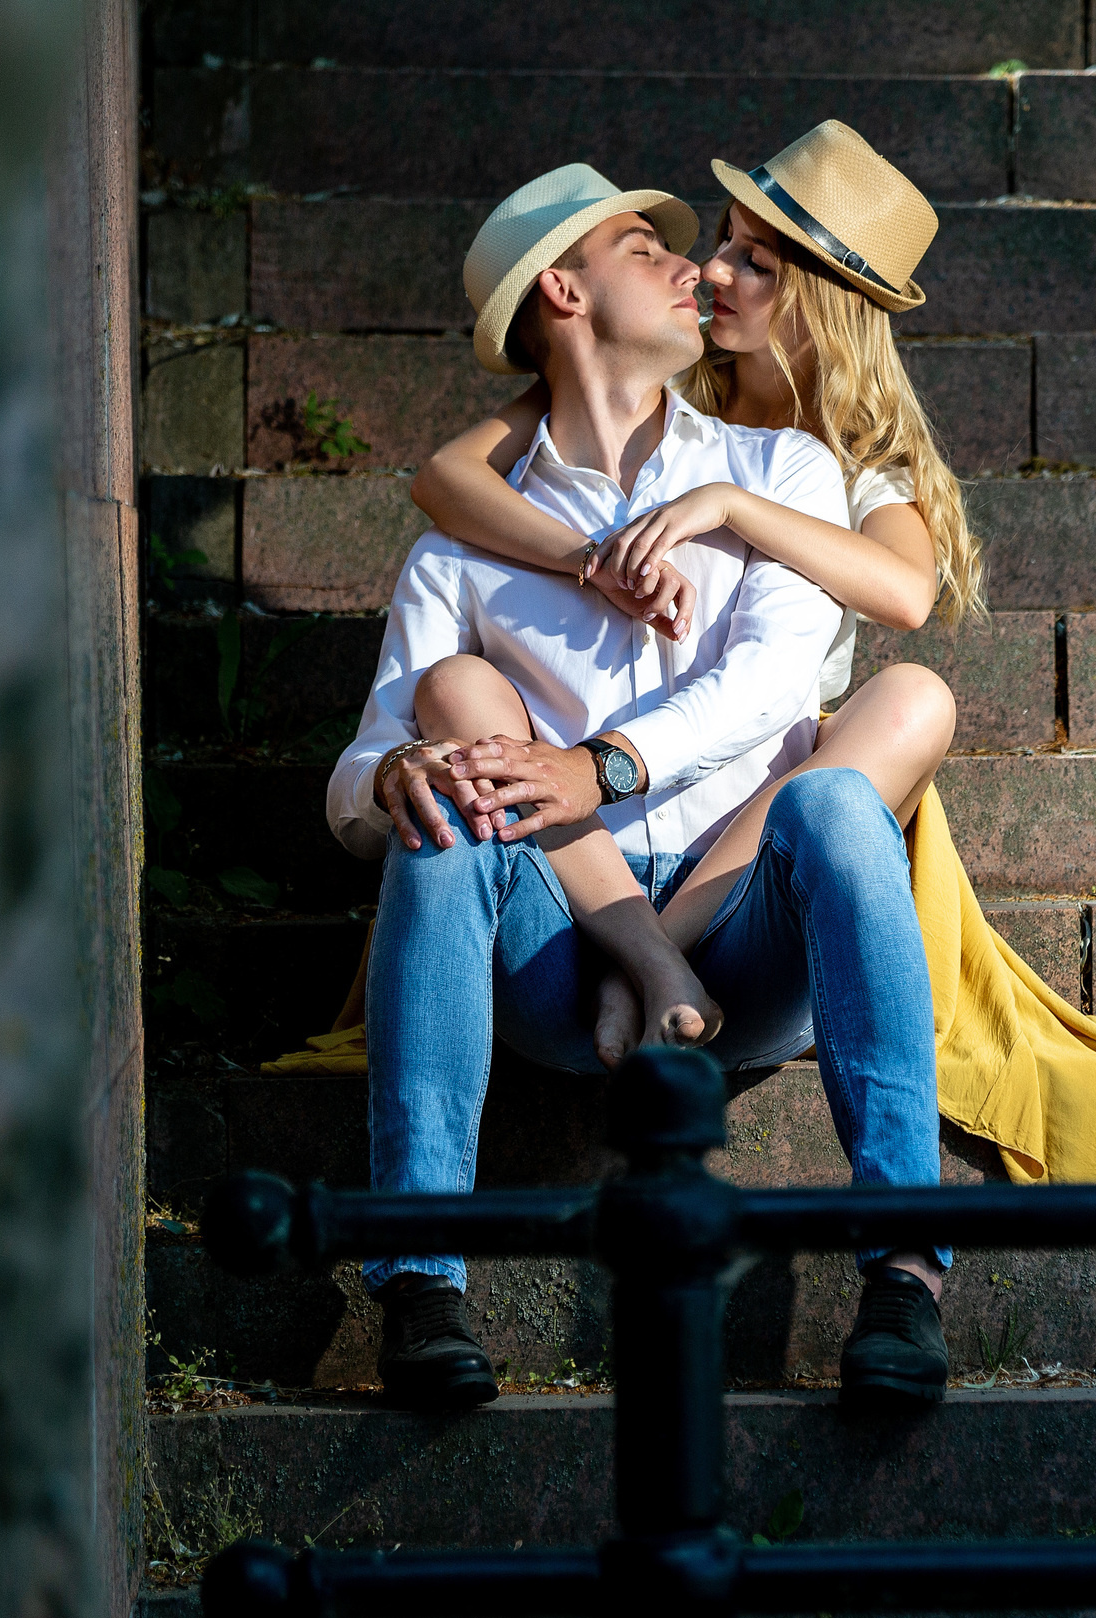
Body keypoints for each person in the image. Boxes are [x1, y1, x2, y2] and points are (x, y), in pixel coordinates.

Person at [326, 159, 955, 1414]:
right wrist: (395, 777)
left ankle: (902, 1271)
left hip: (747, 936)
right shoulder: (463, 546)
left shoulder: (781, 475)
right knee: (444, 804)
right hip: (552, 958)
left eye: (716, 254)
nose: (696, 269)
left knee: (835, 803)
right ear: (564, 289)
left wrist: (595, 768)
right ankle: (419, 1283)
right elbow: (353, 774)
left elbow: (778, 690)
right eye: (648, 247)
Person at [359, 119, 979, 1073]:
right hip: (611, 814)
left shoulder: (833, 462)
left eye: (753, 263)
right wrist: (588, 554)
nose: (710, 269)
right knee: (453, 693)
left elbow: (903, 593)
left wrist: (731, 503)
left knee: (899, 709)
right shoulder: (671, 393)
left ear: (819, 306)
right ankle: (642, 950)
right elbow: (454, 472)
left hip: (770, 794)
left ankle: (652, 954)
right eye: (720, 244)